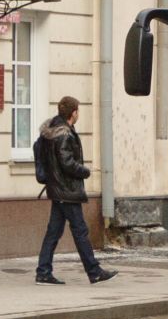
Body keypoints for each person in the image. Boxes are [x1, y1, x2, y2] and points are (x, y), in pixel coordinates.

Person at [34, 95, 117, 286]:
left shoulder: (51, 131)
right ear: (74, 113)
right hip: (67, 191)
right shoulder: (63, 134)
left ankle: (43, 271)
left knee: (53, 232)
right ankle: (94, 271)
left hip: (58, 190)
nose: (78, 114)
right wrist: (85, 171)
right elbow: (66, 162)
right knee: (80, 231)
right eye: (78, 111)